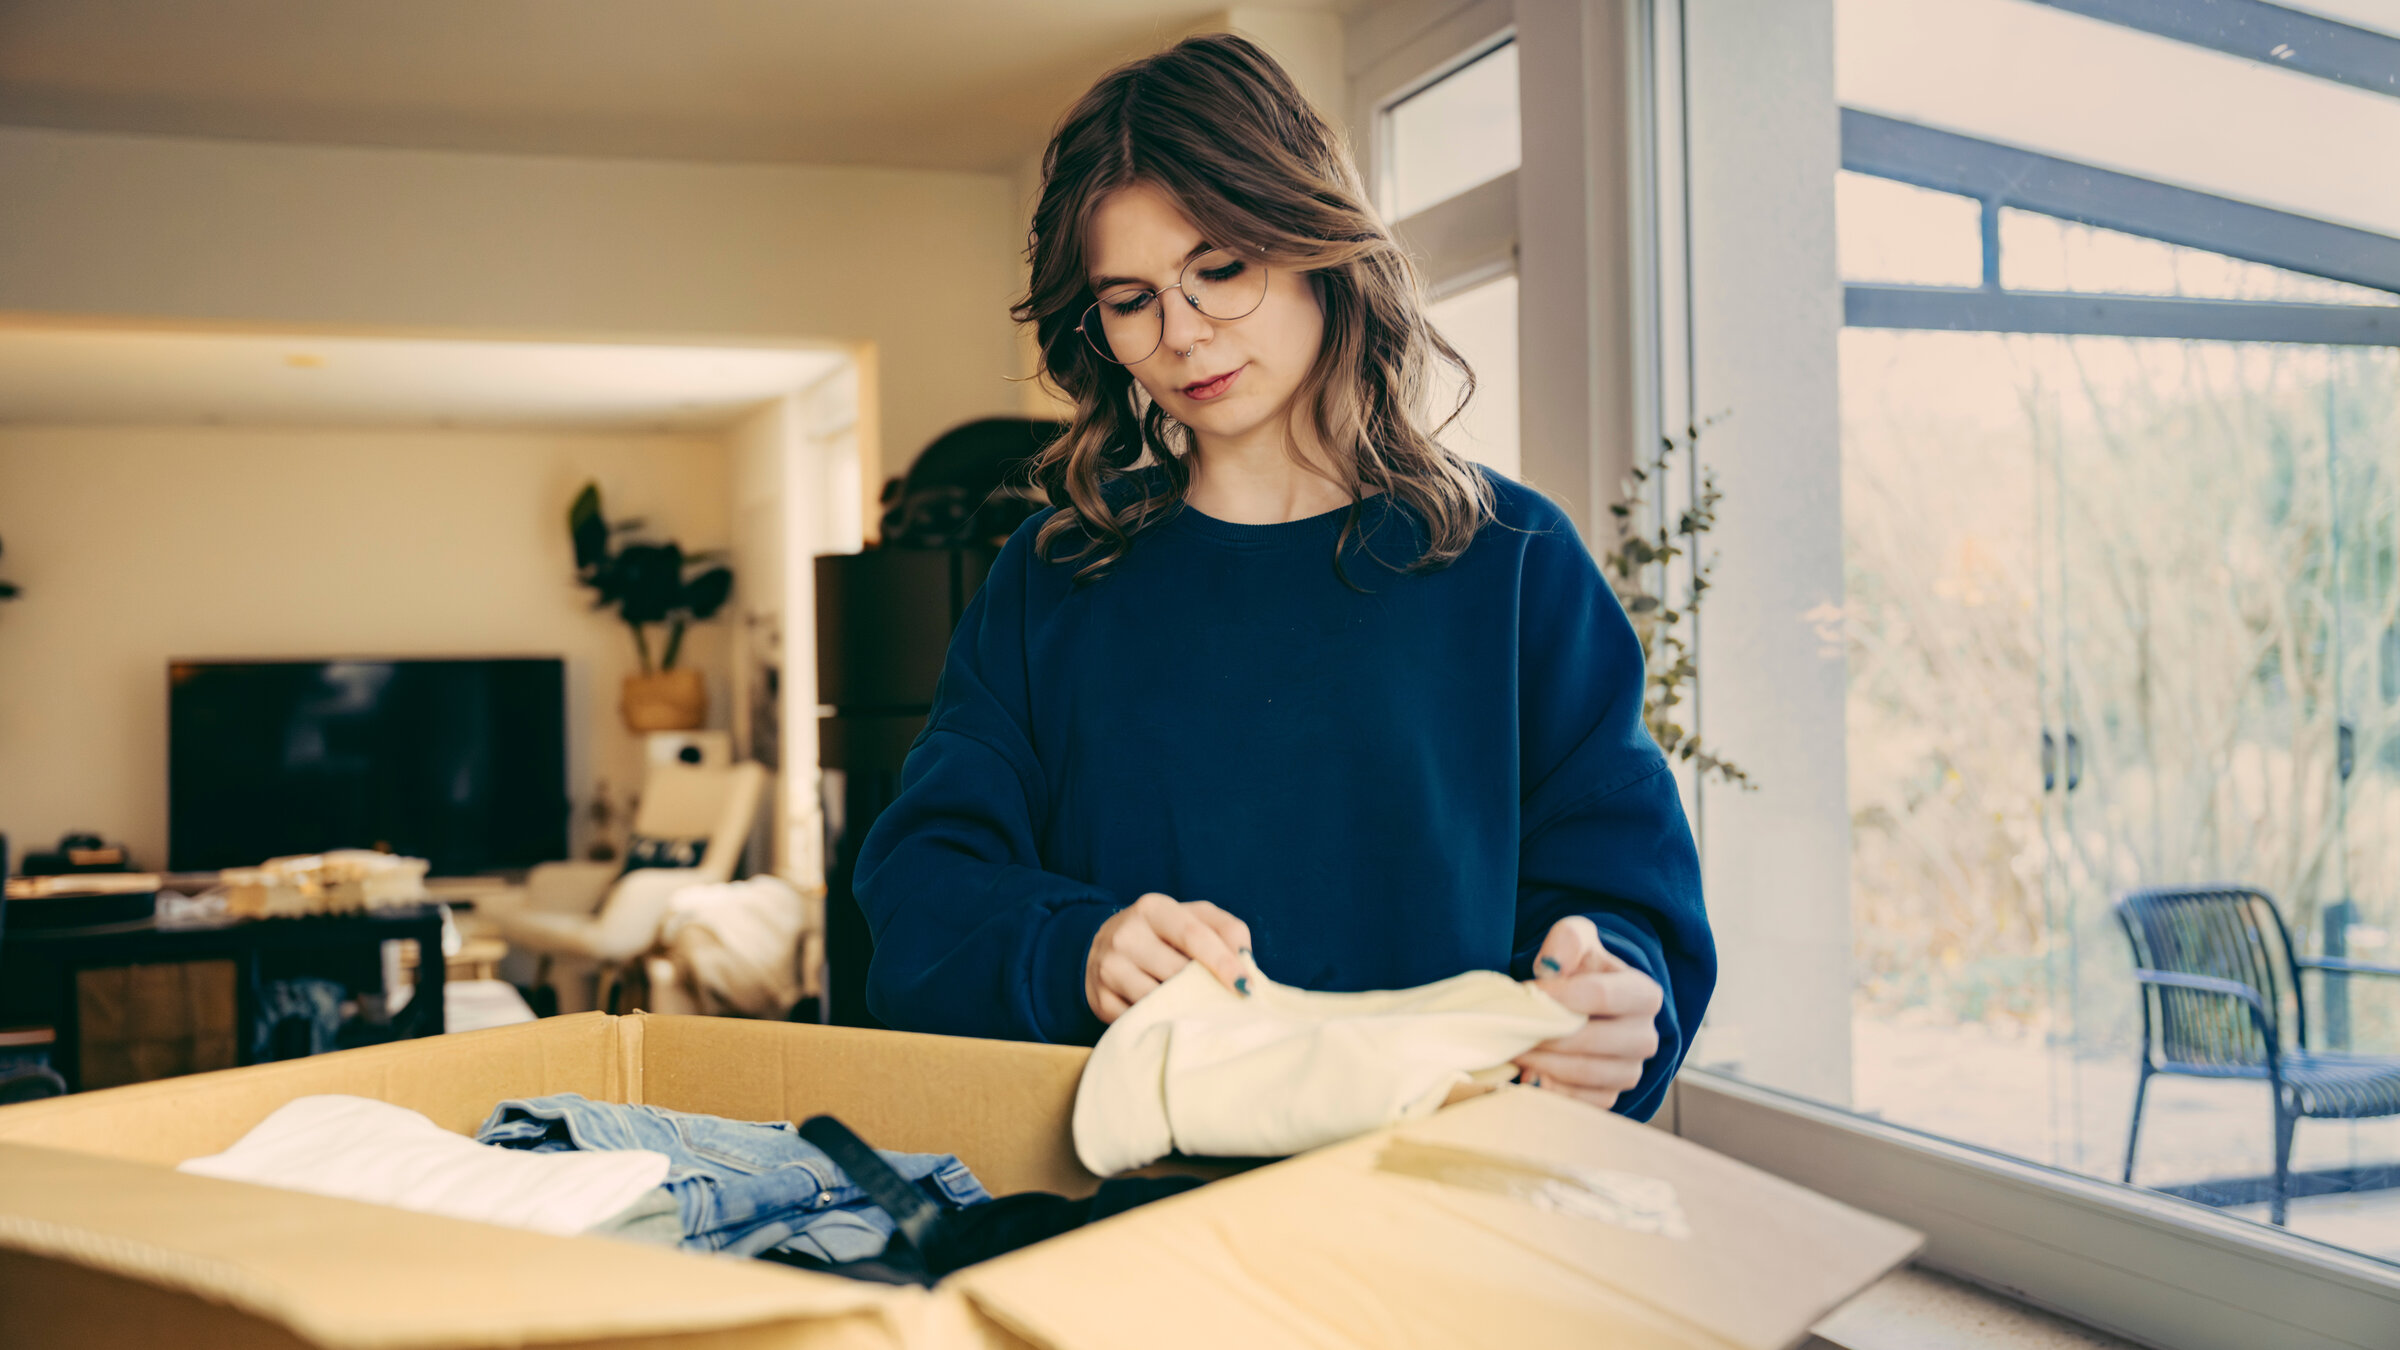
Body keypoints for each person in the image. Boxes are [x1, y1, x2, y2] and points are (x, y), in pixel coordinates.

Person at [852, 33, 1711, 1120]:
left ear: (1313, 244)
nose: (1181, 333)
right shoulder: (1052, 579)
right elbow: (920, 893)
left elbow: (1623, 907)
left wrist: (1611, 991)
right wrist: (1081, 949)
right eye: (1131, 299)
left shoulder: (1516, 565)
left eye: (1220, 271)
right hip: (1126, 1218)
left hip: (1441, 1199)